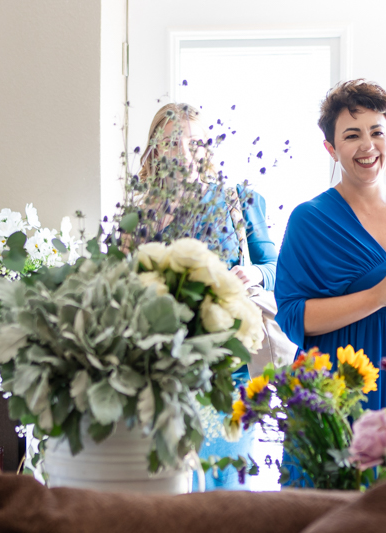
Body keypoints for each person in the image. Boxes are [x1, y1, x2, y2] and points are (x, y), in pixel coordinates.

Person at [275, 79, 386, 410]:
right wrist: (379, 294)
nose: (367, 145)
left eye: (376, 132)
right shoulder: (308, 219)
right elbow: (291, 315)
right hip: (337, 385)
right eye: (352, 135)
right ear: (331, 149)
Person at [137, 103, 279, 490]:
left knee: (224, 493)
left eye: (193, 142)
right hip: (159, 375)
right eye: (171, 142)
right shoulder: (139, 213)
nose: (182, 152)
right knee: (162, 495)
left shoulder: (239, 200)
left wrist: (253, 273)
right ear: (154, 150)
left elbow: (278, 269)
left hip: (228, 375)